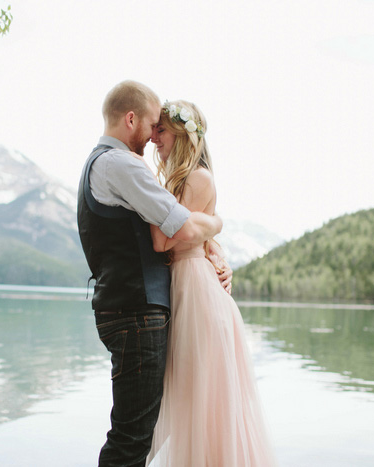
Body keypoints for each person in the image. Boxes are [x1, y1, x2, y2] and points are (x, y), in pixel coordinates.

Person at [77, 81, 230, 467]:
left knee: (136, 433)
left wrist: (214, 250)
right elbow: (176, 230)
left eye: (161, 129)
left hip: (131, 307)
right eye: (150, 125)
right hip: (135, 311)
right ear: (131, 119)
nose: (151, 138)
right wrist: (217, 223)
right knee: (132, 438)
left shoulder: (103, 163)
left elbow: (175, 231)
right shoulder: (122, 164)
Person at [146, 100, 276, 466]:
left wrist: (212, 231)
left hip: (199, 295)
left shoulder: (198, 179)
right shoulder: (174, 180)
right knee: (189, 401)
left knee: (203, 403)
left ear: (183, 136)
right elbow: (188, 235)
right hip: (184, 286)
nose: (155, 138)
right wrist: (214, 231)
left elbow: (165, 240)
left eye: (162, 131)